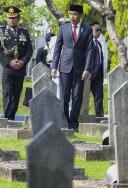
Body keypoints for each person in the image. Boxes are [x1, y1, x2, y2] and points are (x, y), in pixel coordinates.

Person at [51, 4, 93, 132]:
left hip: (80, 68)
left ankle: (74, 123)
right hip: (65, 66)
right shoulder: (63, 28)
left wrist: (87, 68)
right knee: (64, 97)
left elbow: (90, 50)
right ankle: (65, 122)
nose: (72, 17)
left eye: (75, 14)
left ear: (80, 15)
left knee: (77, 97)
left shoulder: (87, 29)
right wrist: (54, 66)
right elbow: (57, 48)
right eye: (70, 14)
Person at [0, 6, 33, 120]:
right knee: (8, 94)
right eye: (9, 18)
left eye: (14, 18)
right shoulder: (0, 31)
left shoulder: (24, 32)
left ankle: (12, 117)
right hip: (8, 69)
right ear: (6, 18)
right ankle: (8, 118)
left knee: (16, 95)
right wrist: (9, 62)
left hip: (20, 69)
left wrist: (23, 62)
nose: (11, 20)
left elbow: (29, 50)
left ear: (18, 18)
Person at [90, 21, 104, 117]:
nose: (99, 32)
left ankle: (99, 116)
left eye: (100, 30)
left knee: (99, 96)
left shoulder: (99, 43)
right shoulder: (87, 42)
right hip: (89, 74)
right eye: (97, 30)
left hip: (98, 74)